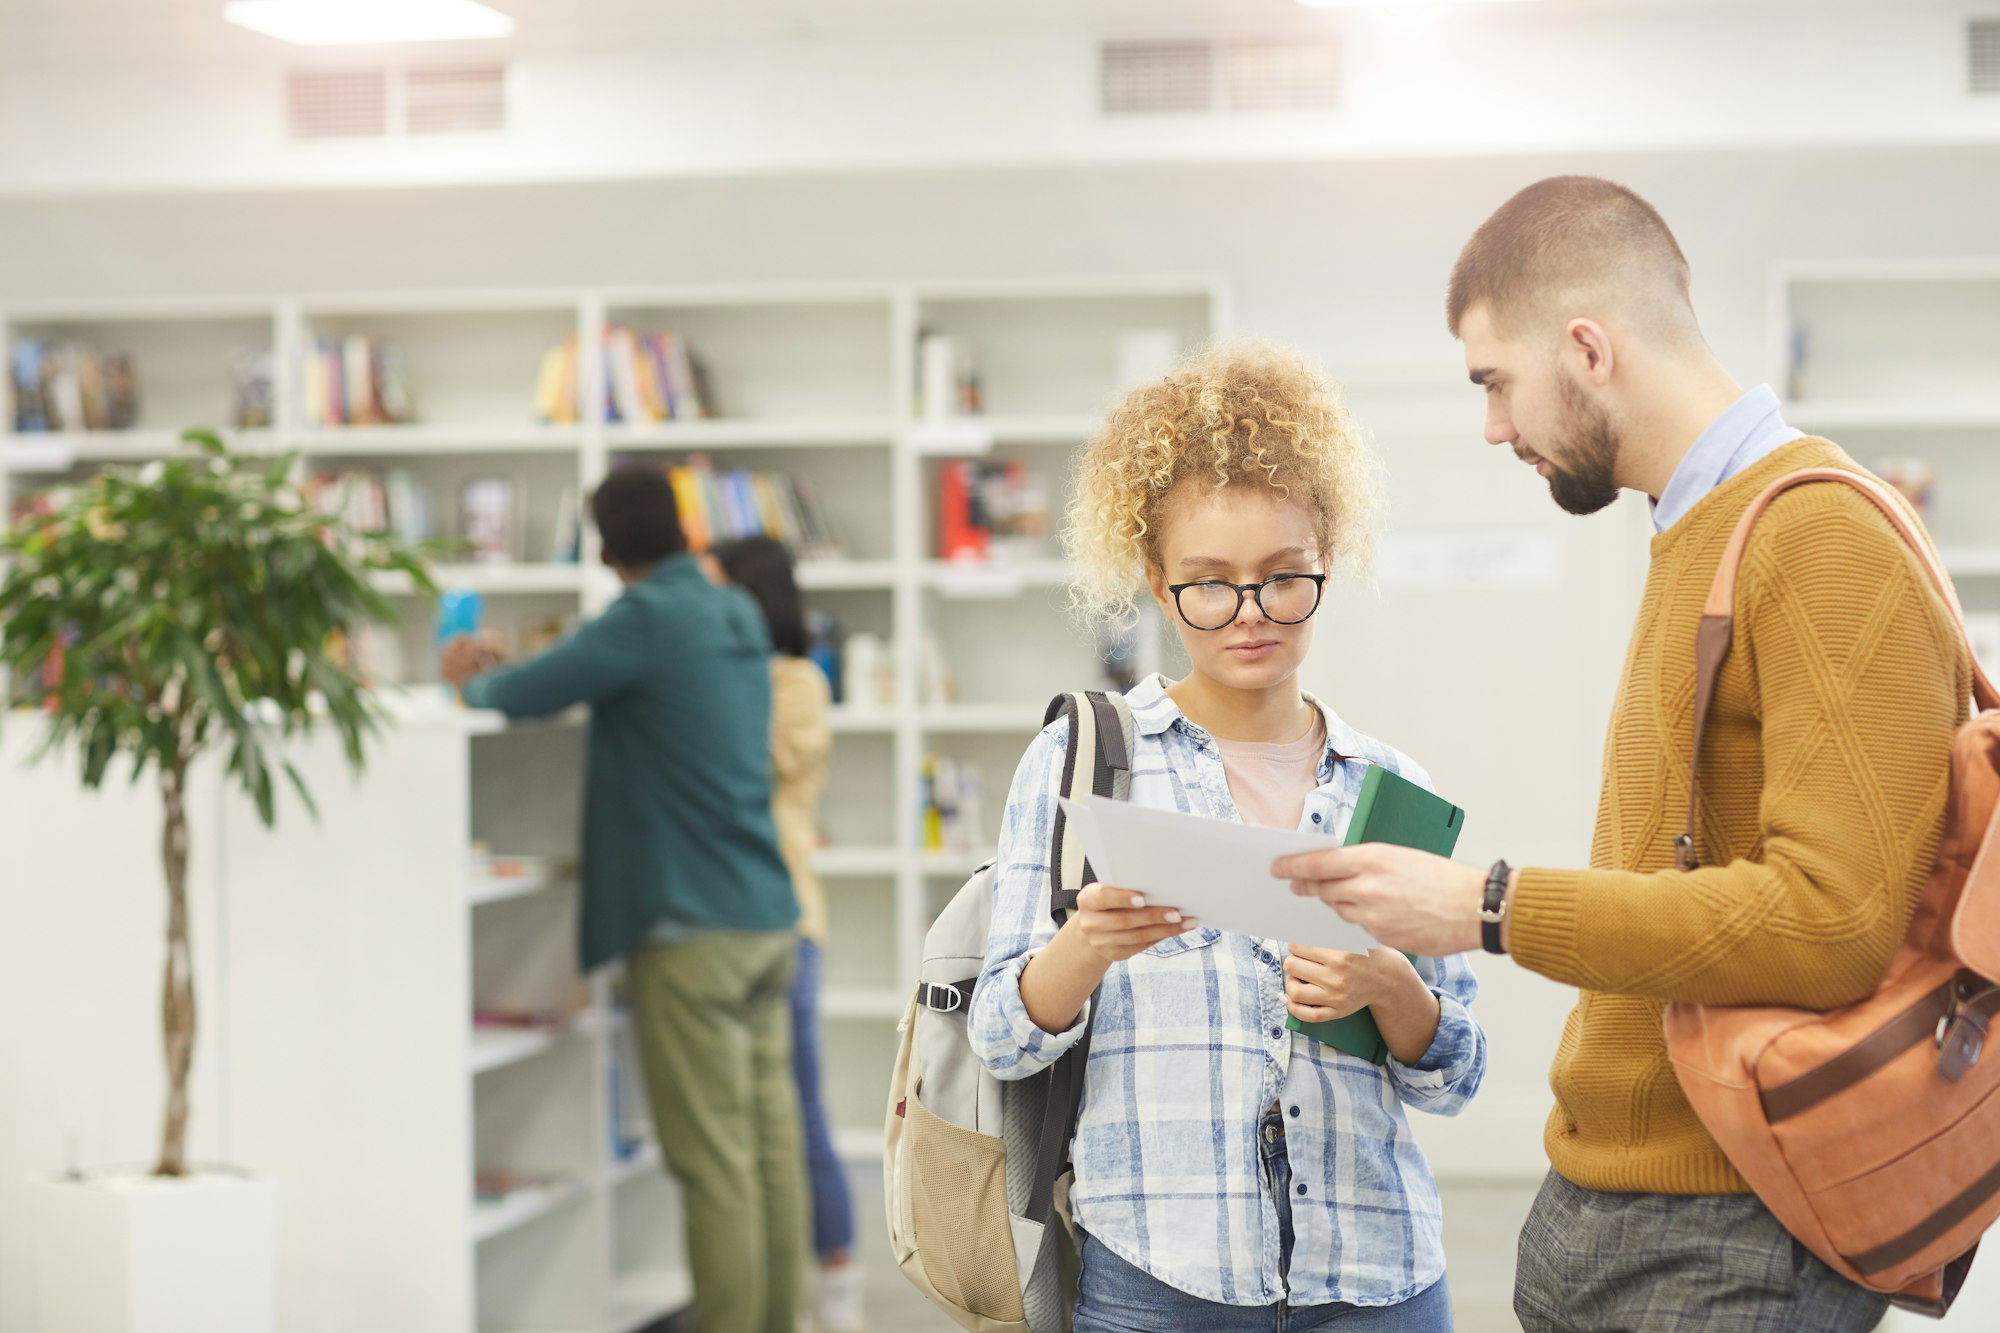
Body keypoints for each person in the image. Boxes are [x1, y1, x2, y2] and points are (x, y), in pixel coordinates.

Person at [1276, 176, 1972, 1331]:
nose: (1492, 427)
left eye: (1494, 383)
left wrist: (1484, 906)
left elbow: (1829, 924)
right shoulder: (1695, 528)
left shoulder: (1818, 534)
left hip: (1729, 1222)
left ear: (1586, 348)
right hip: (1618, 1199)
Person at [970, 340, 1486, 1331]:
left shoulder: (1392, 792)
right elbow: (999, 1035)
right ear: (1157, 582)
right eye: (1209, 584)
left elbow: (1455, 1073)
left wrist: (1388, 987)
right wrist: (1082, 947)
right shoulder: (1086, 763)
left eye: (1282, 578)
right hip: (1158, 1279)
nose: (1248, 614)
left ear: (1323, 565)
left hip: (1375, 1279)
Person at [441, 468, 807, 1333]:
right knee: (768, 1153)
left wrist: (470, 675)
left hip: (691, 930)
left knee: (712, 1166)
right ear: (684, 526)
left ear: (605, 549)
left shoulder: (645, 618)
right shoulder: (733, 612)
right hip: (763, 912)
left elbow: (518, 694)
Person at [710, 535, 865, 1333]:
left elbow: (755, 763)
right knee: (737, 1126)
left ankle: (836, 1287)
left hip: (787, 919)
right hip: (721, 921)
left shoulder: (795, 680)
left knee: (797, 1110)